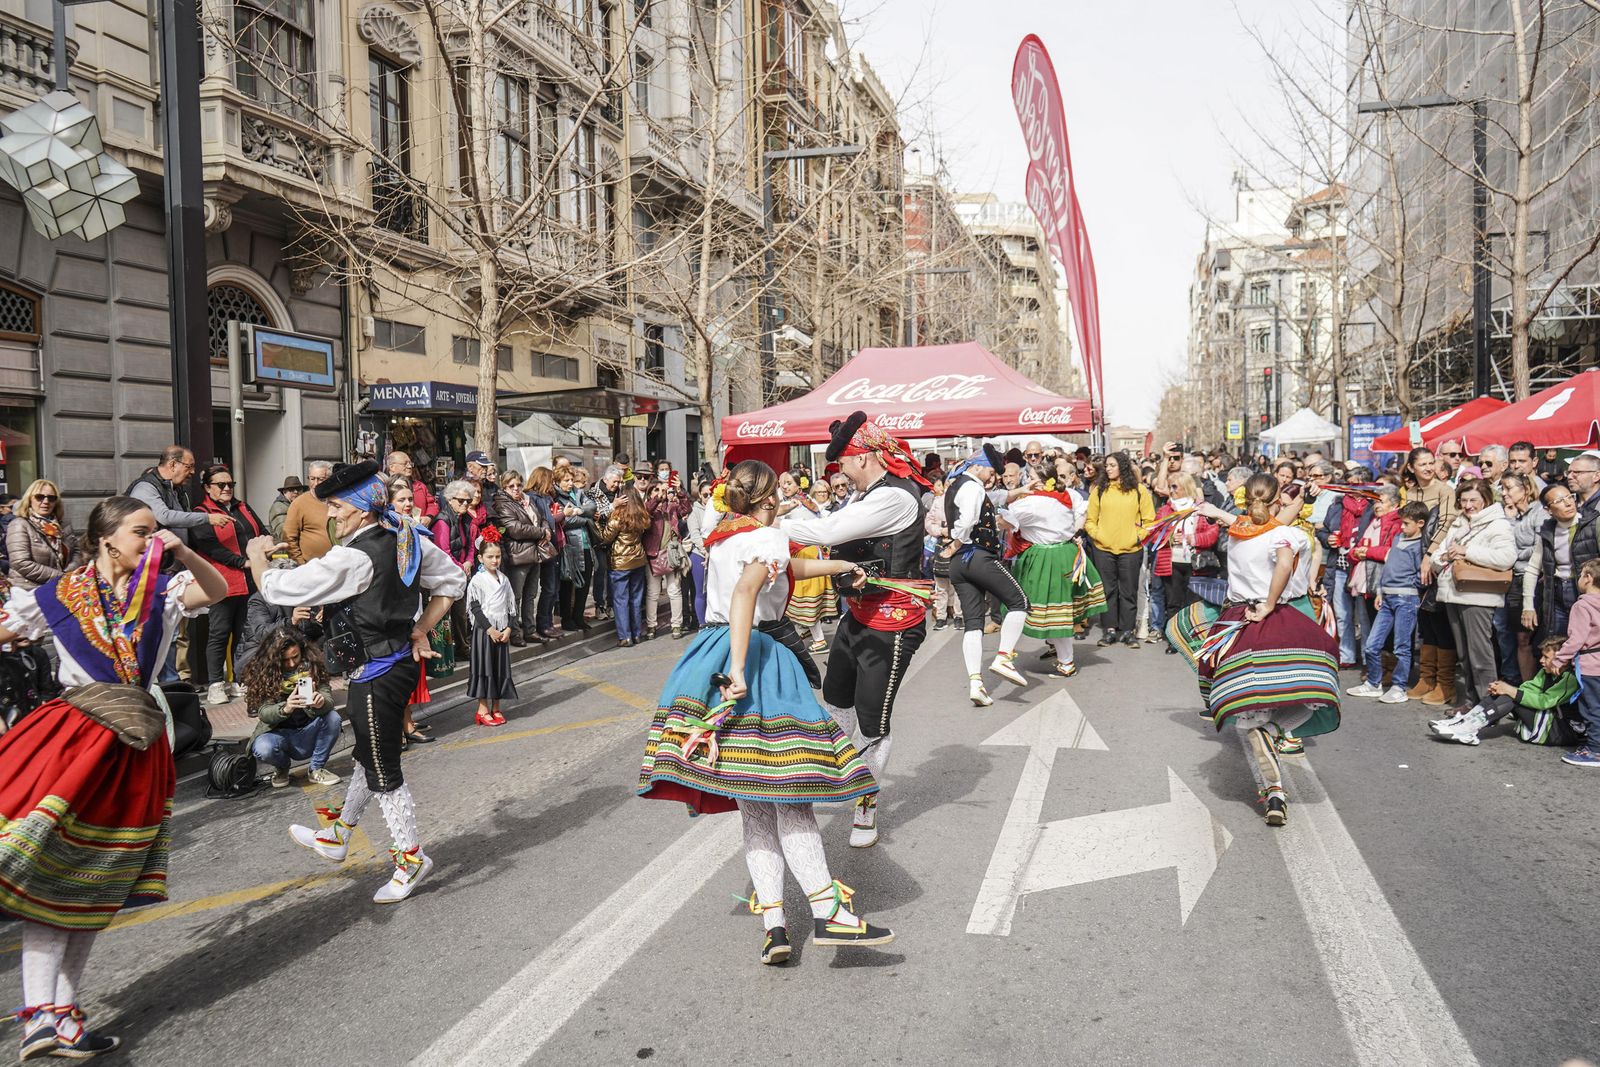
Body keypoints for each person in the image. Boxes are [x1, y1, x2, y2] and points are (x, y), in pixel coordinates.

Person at [635, 460, 892, 965]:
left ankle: (774, 924)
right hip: (756, 657)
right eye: (781, 492)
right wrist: (739, 668)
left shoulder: (725, 537)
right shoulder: (767, 536)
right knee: (791, 795)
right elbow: (748, 591)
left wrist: (839, 566)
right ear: (769, 498)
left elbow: (782, 570)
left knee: (754, 802)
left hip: (709, 651)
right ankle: (828, 913)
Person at [0, 495, 227, 1059]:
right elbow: (8, 627)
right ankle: (39, 1014)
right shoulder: (59, 595)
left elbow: (217, 590)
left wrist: (183, 552)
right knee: (49, 877)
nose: (152, 541)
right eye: (141, 532)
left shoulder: (162, 593)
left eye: (154, 533)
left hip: (132, 746)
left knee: (92, 884)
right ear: (106, 539)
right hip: (74, 739)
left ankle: (62, 1016)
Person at [252, 460, 466, 904]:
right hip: (391, 665)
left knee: (384, 769)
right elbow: (452, 579)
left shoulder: (355, 555)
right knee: (369, 756)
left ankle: (411, 859)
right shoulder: (405, 537)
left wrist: (257, 558)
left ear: (361, 508)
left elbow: (278, 590)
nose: (330, 514)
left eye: (335, 506)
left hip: (377, 673)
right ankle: (339, 834)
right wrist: (420, 628)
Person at [784, 412, 931, 850]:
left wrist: (760, 524)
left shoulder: (894, 497)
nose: (841, 472)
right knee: (835, 701)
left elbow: (826, 530)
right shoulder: (869, 494)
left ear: (863, 457)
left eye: (843, 463)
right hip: (858, 615)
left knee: (872, 722)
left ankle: (865, 803)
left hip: (892, 625)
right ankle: (829, 773)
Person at [1172, 475, 1341, 827]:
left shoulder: (1238, 533)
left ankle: (1274, 791)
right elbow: (1283, 562)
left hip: (1238, 618)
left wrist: (1215, 511)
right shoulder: (1286, 534)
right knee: (1308, 691)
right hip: (1279, 616)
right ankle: (1277, 735)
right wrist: (1269, 603)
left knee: (1252, 708)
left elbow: (1244, 521)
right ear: (1277, 500)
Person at [943, 444, 1031, 706]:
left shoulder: (956, 486)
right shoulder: (972, 486)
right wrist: (957, 541)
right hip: (977, 556)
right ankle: (1004, 657)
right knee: (1019, 602)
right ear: (978, 466)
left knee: (973, 624)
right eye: (991, 472)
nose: (992, 477)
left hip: (960, 564)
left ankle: (976, 684)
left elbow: (978, 512)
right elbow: (967, 520)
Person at [1430, 477, 1516, 715]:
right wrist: (1445, 557)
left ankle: (1489, 706)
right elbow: (1438, 555)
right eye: (1464, 500)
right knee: (1464, 655)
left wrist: (1467, 551)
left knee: (1480, 655)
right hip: (1454, 593)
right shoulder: (1459, 522)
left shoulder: (1497, 524)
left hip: (1479, 596)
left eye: (1473, 500)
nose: (1468, 505)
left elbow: (1506, 558)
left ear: (1485, 500)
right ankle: (1472, 702)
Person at [1004, 481, 1106, 677]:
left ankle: (1066, 662)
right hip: (1066, 552)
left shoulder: (1032, 503)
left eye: (1032, 478)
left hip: (1046, 557)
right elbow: (1082, 511)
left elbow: (1005, 520)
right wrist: (1073, 532)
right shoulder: (1068, 494)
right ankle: (1056, 648)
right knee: (1057, 608)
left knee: (1052, 610)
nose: (1028, 483)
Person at [193, 464, 268, 705]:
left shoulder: (242, 507)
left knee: (243, 632)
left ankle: (238, 678)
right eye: (221, 484)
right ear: (207, 488)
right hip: (222, 582)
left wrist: (267, 546)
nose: (227, 488)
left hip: (249, 580)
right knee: (219, 633)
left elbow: (261, 530)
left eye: (230, 484)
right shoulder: (201, 513)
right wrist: (242, 562)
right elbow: (210, 547)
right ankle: (215, 684)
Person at [1430, 635, 1585, 747]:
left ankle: (1469, 729)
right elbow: (1529, 688)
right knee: (1505, 692)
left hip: (1559, 730)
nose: (1541, 661)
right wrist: (1503, 689)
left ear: (1562, 659)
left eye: (1546, 657)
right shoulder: (1546, 672)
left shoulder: (1570, 678)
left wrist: (1511, 691)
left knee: (1512, 696)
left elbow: (1544, 702)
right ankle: (1465, 721)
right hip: (1548, 722)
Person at [1347, 500, 1427, 702]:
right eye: (1402, 522)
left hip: (1406, 599)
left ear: (1420, 523)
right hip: (1387, 596)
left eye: (1406, 523)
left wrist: (1412, 588)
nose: (1402, 527)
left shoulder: (1419, 546)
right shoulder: (1399, 538)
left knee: (1402, 646)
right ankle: (1374, 683)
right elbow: (1389, 566)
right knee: (1372, 645)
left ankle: (1399, 687)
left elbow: (1421, 573)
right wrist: (1381, 591)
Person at [245, 626, 341, 787]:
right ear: (274, 659)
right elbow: (263, 713)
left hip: (309, 729)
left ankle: (316, 768)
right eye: (285, 660)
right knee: (263, 747)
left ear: (302, 651)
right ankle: (282, 768)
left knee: (333, 718)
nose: (291, 664)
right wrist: (286, 708)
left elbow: (328, 699)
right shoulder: (265, 674)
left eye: (295, 657)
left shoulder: (313, 665)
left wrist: (320, 702)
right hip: (279, 736)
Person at [1084, 451, 1155, 648]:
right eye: (1106, 465)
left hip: (1131, 549)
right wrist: (1099, 535)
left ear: (1122, 467)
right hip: (1103, 549)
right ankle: (1109, 630)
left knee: (1129, 591)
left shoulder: (1139, 490)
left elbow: (1149, 520)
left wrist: (1137, 537)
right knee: (1107, 591)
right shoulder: (1099, 490)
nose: (1108, 469)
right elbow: (1090, 520)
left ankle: (1128, 631)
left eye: (1112, 465)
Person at [1404, 447, 1457, 704]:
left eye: (1430, 463)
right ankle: (1427, 678)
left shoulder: (1445, 490)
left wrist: (1429, 556)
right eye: (1422, 464)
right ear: (1411, 467)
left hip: (1436, 561)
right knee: (1424, 621)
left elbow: (1446, 523)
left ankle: (1446, 684)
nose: (1427, 468)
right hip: (1412, 561)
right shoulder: (1410, 491)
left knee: (1439, 620)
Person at [490, 469, 552, 646]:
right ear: (504, 487)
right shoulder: (502, 503)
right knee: (515, 597)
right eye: (511, 486)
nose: (516, 488)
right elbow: (515, 529)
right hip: (518, 555)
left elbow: (541, 518)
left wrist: (546, 529)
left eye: (518, 484)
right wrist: (541, 532)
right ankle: (515, 633)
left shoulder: (526, 500)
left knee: (530, 595)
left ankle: (530, 630)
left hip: (534, 554)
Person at [1498, 472, 1547, 684]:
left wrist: (1514, 554)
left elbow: (1539, 547)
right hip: (1514, 579)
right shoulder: (1510, 515)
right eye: (1502, 488)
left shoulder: (1539, 512)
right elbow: (1505, 544)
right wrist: (1510, 521)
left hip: (1535, 579)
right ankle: (1525, 687)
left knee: (1533, 636)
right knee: (1520, 637)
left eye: (1508, 488)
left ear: (1525, 489)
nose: (1504, 493)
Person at [779, 473, 835, 651]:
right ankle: (807, 631)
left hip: (805, 554)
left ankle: (819, 640)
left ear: (799, 484)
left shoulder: (797, 505)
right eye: (782, 484)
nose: (785, 486)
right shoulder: (804, 500)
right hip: (806, 553)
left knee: (806, 597)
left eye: (789, 483)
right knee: (800, 596)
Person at [467, 539, 517, 726]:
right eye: (490, 557)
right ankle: (482, 709)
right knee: (484, 668)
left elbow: (511, 606)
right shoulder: (478, 580)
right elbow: (474, 607)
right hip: (485, 631)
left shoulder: (504, 579)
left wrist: (509, 628)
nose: (494, 560)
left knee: (499, 668)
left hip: (502, 630)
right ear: (480, 558)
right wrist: (490, 629)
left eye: (497, 556)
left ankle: (496, 707)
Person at [432, 479, 479, 657]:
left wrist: (469, 562)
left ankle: (462, 648)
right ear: (450, 500)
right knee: (444, 614)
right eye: (460, 500)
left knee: (460, 613)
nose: (465, 503)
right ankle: (445, 652)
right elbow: (443, 551)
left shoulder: (466, 519)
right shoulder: (442, 521)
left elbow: (470, 545)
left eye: (468, 500)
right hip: (445, 574)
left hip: (460, 572)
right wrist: (461, 567)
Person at [5, 479, 77, 594]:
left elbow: (77, 552)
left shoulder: (63, 525)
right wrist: (60, 576)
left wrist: (69, 572)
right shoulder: (19, 524)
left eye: (51, 498)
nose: (46, 501)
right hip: (29, 591)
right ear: (29, 499)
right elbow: (21, 563)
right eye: (39, 497)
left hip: (61, 588)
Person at [601, 486, 651, 646]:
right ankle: (636, 634)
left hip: (620, 562)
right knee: (636, 599)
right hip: (638, 560)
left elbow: (605, 538)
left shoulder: (618, 517)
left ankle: (625, 636)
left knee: (621, 600)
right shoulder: (641, 516)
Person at [643, 473, 689, 639]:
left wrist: (680, 492)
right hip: (653, 554)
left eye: (663, 490)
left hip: (672, 554)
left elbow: (686, 509)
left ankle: (676, 625)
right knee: (653, 593)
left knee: (674, 591)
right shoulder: (648, 508)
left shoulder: (672, 507)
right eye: (656, 490)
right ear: (650, 493)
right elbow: (646, 512)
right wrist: (658, 498)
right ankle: (651, 626)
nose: (661, 493)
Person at [556, 466, 597, 631]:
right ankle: (567, 619)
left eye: (572, 479)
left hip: (586, 543)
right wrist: (586, 520)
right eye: (566, 480)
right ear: (558, 481)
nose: (570, 483)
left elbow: (592, 507)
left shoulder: (578, 492)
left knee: (585, 583)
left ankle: (579, 616)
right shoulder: (557, 497)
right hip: (570, 546)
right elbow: (565, 521)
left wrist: (578, 511)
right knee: (568, 584)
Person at [526, 467, 564, 639]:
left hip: (552, 546)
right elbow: (546, 520)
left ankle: (547, 622)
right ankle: (543, 623)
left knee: (553, 588)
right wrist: (562, 515)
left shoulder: (547, 497)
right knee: (548, 588)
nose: (552, 485)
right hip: (542, 547)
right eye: (550, 481)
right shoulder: (533, 498)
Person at [588, 465, 623, 620]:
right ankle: (599, 605)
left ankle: (611, 604)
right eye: (615, 482)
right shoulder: (593, 492)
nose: (617, 485)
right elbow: (595, 515)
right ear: (606, 479)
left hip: (617, 539)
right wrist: (613, 506)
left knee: (613, 572)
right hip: (600, 539)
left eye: (619, 482)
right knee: (601, 571)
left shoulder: (620, 492)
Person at [283, 461, 335, 564]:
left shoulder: (338, 500)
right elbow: (289, 538)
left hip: (338, 565)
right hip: (311, 568)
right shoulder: (299, 503)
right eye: (312, 479)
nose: (316, 483)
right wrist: (301, 564)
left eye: (321, 479)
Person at [386, 450, 438, 520]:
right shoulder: (385, 487)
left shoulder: (419, 486)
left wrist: (429, 517)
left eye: (410, 463)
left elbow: (432, 504)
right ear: (392, 467)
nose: (410, 466)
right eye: (405, 464)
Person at [266, 476, 306, 540]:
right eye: (291, 489)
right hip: (285, 545)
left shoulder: (298, 505)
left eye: (299, 489)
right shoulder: (279, 507)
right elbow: (286, 535)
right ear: (284, 492)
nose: (296, 492)